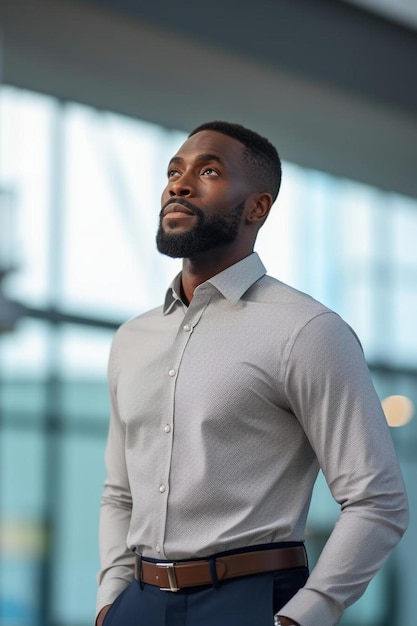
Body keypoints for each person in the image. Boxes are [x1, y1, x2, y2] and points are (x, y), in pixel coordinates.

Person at [95, 121, 408, 626]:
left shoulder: (307, 330)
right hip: (138, 603)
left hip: (250, 604)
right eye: (174, 170)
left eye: (209, 170)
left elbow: (377, 500)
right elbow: (120, 493)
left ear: (258, 207)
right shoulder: (132, 339)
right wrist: (110, 602)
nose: (179, 183)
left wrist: (305, 615)